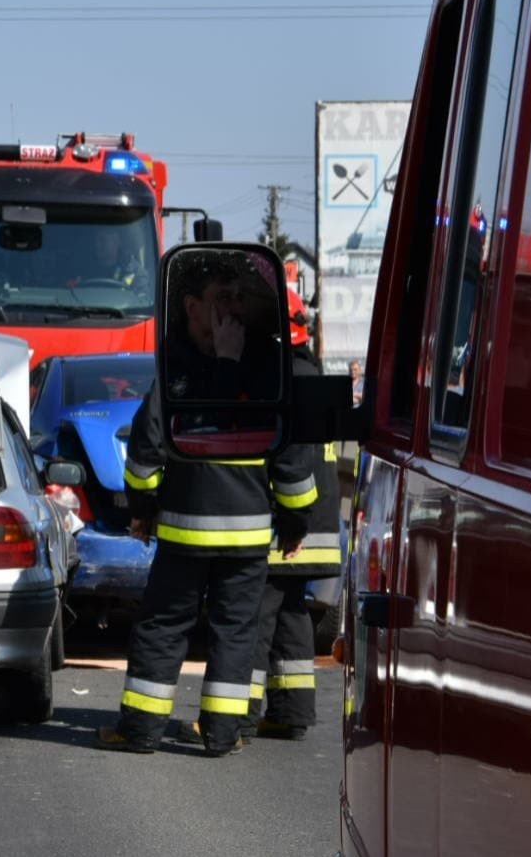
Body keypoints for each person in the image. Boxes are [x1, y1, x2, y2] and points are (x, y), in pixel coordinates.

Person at [98, 256, 319, 757]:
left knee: (173, 627)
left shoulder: (188, 368)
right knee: (227, 632)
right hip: (237, 537)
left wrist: (143, 506)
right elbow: (289, 458)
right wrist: (293, 517)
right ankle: (211, 736)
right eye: (223, 298)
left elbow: (145, 455)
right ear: (193, 306)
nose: (232, 309)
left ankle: (163, 731)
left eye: (239, 298)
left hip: (187, 533)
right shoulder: (255, 369)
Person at [233, 289, 343, 741]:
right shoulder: (312, 377)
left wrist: (287, 522)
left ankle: (237, 715)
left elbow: (288, 463)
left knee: (257, 617)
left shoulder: (280, 382)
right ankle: (292, 710)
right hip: (316, 526)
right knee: (293, 613)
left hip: (288, 526)